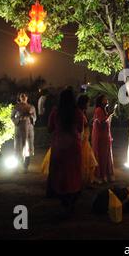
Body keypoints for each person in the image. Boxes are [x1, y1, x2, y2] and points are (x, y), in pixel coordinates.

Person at [47, 88, 84, 218]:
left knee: (60, 173)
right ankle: (72, 200)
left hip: (59, 146)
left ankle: (63, 200)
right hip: (74, 146)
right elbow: (80, 128)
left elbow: (50, 128)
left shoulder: (55, 112)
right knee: (73, 172)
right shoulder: (78, 112)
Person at [92, 95, 116, 183]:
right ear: (101, 101)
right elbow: (102, 121)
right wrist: (110, 114)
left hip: (104, 135)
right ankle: (100, 176)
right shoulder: (98, 110)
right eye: (105, 99)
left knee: (105, 155)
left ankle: (105, 174)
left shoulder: (103, 110)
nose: (107, 100)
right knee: (101, 154)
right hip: (101, 136)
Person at [11, 93, 36, 173]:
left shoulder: (31, 107)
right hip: (19, 129)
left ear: (27, 97)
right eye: (22, 96)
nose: (23, 97)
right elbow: (12, 116)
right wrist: (18, 119)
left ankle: (26, 166)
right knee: (19, 147)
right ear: (20, 98)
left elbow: (35, 118)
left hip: (28, 129)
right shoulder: (16, 107)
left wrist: (31, 116)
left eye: (25, 96)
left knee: (28, 147)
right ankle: (18, 165)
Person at [77, 94, 98, 186]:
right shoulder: (80, 113)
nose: (88, 104)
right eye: (88, 102)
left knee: (88, 161)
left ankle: (87, 180)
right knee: (87, 161)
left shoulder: (82, 112)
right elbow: (81, 127)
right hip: (82, 142)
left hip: (85, 140)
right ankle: (85, 181)